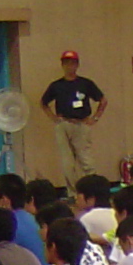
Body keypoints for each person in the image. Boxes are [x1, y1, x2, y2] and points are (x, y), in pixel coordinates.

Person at [41, 49, 105, 187]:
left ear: (77, 65)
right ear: (62, 65)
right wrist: (53, 118)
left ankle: (92, 188)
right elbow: (44, 103)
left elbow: (102, 100)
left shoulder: (85, 83)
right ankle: (73, 191)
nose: (69, 66)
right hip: (64, 124)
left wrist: (95, 118)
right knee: (67, 163)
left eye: (72, 63)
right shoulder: (56, 85)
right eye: (66, 63)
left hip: (81, 124)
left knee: (86, 160)